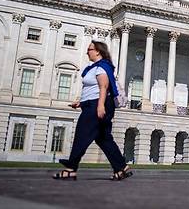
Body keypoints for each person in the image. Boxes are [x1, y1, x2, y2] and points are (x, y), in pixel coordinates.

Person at [53, 40, 132, 181]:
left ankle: (71, 168)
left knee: (82, 135)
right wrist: (80, 102)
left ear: (98, 51)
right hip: (91, 103)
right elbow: (91, 89)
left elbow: (104, 87)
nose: (87, 52)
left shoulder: (102, 67)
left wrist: (100, 106)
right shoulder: (94, 67)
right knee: (103, 139)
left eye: (89, 49)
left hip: (97, 105)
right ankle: (121, 167)